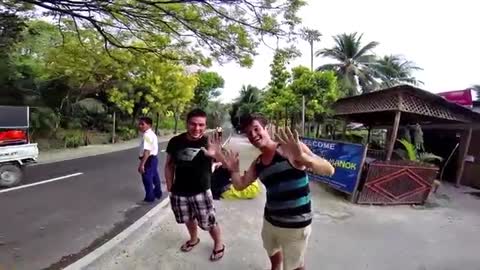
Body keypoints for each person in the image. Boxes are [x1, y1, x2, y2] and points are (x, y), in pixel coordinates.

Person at [220, 114, 335, 270]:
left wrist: (303, 157)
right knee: (272, 251)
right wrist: (233, 169)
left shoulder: (289, 148)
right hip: (271, 220)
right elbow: (240, 185)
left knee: (295, 266)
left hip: (296, 224)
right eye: (249, 132)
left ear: (266, 128)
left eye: (256, 129)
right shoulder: (259, 162)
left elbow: (329, 169)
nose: (253, 135)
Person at [164, 109, 225, 261]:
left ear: (205, 126)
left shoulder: (208, 142)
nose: (197, 128)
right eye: (193, 124)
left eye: (201, 125)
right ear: (187, 123)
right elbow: (169, 165)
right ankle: (194, 239)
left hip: (202, 191)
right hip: (179, 191)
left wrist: (215, 155)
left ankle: (219, 244)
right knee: (187, 219)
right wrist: (170, 184)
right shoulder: (176, 142)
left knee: (209, 221)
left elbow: (225, 164)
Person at [137, 116, 162, 203]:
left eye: (142, 124)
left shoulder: (147, 135)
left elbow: (147, 151)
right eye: (139, 124)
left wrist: (142, 165)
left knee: (147, 179)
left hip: (149, 159)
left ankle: (150, 198)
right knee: (155, 176)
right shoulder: (151, 134)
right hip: (153, 159)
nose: (140, 126)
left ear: (149, 125)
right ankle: (158, 192)